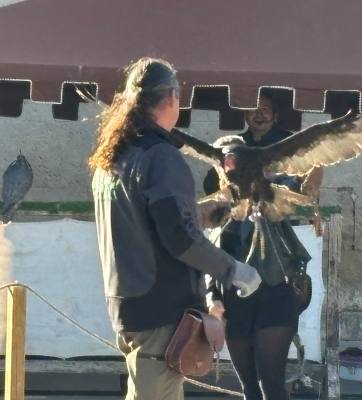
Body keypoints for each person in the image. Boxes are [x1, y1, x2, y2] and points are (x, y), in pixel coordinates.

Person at [89, 57, 261, 400]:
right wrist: (234, 270)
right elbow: (179, 239)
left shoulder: (113, 157)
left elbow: (143, 220)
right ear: (170, 98)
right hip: (161, 310)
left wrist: (200, 212)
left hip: (128, 303)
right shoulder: (161, 156)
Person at [203, 92, 323, 400]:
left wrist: (311, 182)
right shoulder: (231, 148)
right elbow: (210, 204)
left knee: (272, 383)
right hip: (235, 279)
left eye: (266, 109)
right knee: (248, 387)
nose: (259, 115)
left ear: (275, 114)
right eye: (254, 110)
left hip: (275, 279)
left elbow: (302, 193)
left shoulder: (289, 146)